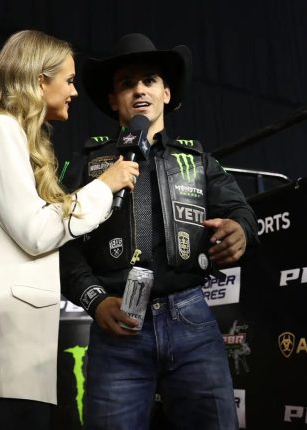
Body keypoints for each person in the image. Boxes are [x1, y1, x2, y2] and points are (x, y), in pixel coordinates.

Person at [0, 30, 140, 430]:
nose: (75, 91)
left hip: (14, 352)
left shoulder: (10, 135)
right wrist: (105, 186)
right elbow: (35, 232)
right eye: (69, 80)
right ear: (38, 80)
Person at [60, 33, 258, 430]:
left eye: (149, 80)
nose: (139, 90)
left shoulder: (197, 160)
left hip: (191, 318)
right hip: (118, 325)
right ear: (113, 100)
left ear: (166, 93)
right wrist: (96, 301)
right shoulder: (84, 164)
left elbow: (241, 212)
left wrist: (240, 229)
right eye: (126, 83)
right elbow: (60, 243)